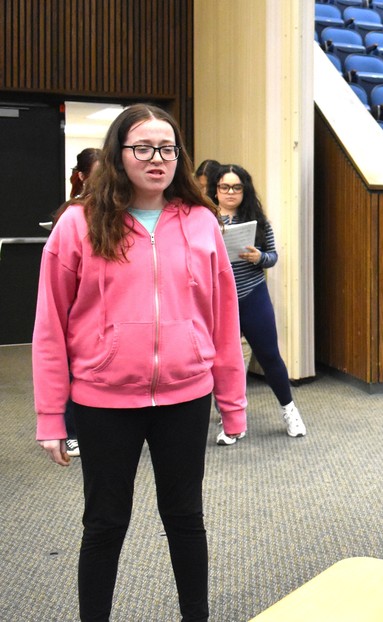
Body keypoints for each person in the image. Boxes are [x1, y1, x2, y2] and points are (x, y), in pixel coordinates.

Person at [33, 104, 248, 621]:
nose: (157, 159)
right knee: (104, 523)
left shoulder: (200, 222)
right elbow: (49, 326)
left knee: (185, 518)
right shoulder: (78, 224)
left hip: (185, 395)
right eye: (143, 148)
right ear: (118, 154)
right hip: (103, 400)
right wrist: (49, 416)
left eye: (168, 148)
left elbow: (222, 318)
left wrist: (233, 403)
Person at [207, 163, 306, 443]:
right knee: (223, 362)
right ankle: (231, 421)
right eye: (224, 187)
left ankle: (290, 410)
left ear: (244, 190)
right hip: (218, 301)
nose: (230, 192)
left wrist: (258, 257)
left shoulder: (258, 222)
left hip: (252, 294)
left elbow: (273, 256)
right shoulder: (204, 220)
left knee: (269, 355)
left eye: (236, 187)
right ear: (215, 190)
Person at [52, 146, 102, 458]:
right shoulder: (71, 215)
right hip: (74, 306)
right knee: (71, 371)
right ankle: (71, 431)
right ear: (82, 177)